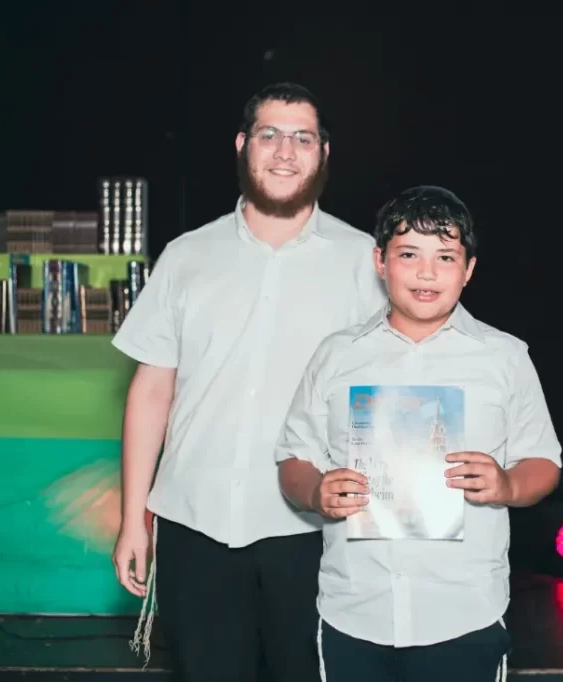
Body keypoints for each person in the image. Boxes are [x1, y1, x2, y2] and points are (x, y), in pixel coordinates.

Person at [110, 82, 386, 682]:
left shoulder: (367, 262)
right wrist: (134, 518)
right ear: (242, 145)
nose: (285, 151)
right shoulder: (186, 256)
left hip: (314, 530)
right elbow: (151, 391)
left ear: (323, 153)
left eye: (302, 138)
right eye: (270, 134)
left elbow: (393, 394)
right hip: (195, 522)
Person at [275, 185, 563, 682]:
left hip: (463, 614)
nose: (427, 273)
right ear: (379, 261)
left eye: (445, 257)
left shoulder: (505, 357)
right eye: (408, 254)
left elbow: (543, 462)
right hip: (354, 610)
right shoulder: (337, 355)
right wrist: (316, 490)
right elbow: (293, 460)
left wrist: (508, 484)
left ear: (468, 269)